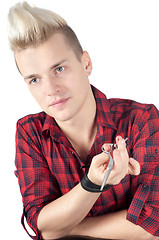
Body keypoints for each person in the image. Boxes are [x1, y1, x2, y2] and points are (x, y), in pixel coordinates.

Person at [8, 2, 159, 240]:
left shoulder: (140, 119)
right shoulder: (30, 132)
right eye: (35, 80)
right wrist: (92, 184)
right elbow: (39, 220)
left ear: (86, 63)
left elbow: (151, 225)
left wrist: (63, 226)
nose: (51, 90)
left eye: (59, 69)